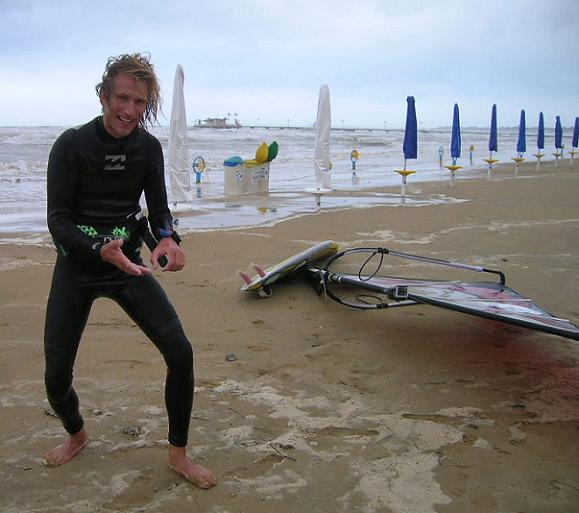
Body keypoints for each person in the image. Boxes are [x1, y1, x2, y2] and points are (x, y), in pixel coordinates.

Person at [43, 53, 216, 489]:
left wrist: (168, 239)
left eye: (139, 102)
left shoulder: (146, 148)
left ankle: (178, 454)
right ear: (103, 95)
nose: (129, 111)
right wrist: (101, 247)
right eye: (121, 98)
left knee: (180, 352)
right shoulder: (71, 145)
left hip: (127, 268)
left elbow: (157, 211)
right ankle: (77, 435)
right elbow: (58, 221)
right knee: (56, 377)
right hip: (77, 267)